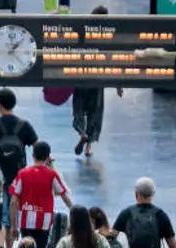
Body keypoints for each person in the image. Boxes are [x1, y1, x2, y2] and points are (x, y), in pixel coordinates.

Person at [70, 6, 122, 157]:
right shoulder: (108, 36)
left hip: (81, 77)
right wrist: (118, 85)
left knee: (78, 110)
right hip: (98, 79)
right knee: (95, 114)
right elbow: (113, 60)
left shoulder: (81, 30)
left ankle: (82, 133)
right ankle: (88, 147)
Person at [8, 141, 73, 248]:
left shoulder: (22, 174)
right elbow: (64, 195)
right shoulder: (52, 175)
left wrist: (13, 226)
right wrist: (75, 211)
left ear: (33, 155)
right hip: (44, 221)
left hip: (25, 220)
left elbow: (13, 202)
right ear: (48, 158)